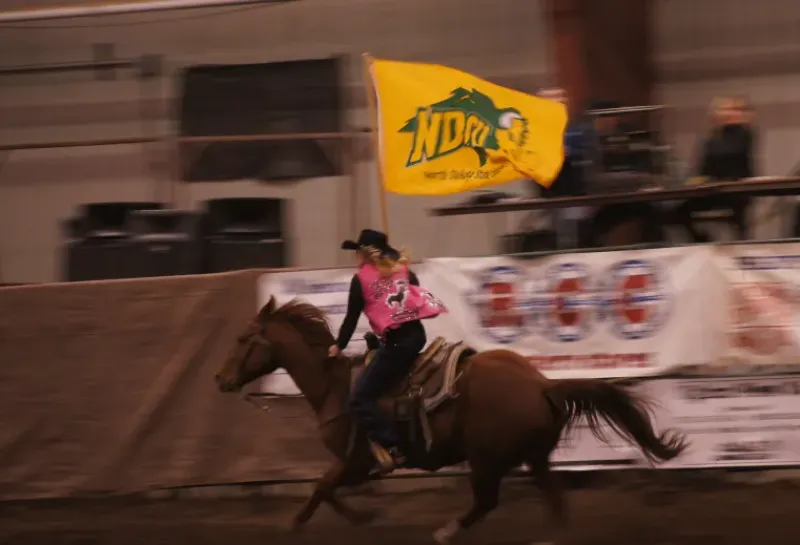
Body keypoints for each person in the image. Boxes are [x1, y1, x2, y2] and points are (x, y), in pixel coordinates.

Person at [329, 229, 447, 473]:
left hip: (397, 344)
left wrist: (338, 346)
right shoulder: (406, 272)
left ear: (366, 254)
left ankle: (393, 448)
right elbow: (413, 300)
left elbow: (351, 319)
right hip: (415, 337)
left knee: (359, 398)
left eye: (358, 252)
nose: (355, 257)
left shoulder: (360, 280)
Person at [673, 96, 757, 242]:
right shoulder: (712, 135)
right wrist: (694, 179)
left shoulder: (743, 133)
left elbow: (730, 154)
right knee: (677, 211)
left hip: (735, 188)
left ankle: (743, 244)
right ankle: (702, 240)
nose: (722, 113)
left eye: (727, 110)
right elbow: (704, 165)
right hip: (712, 187)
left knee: (738, 216)